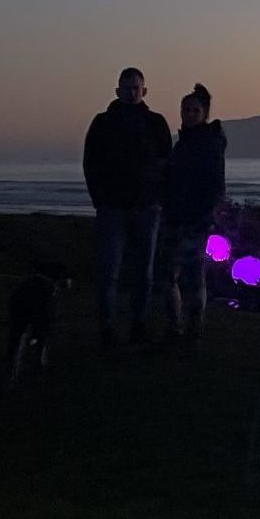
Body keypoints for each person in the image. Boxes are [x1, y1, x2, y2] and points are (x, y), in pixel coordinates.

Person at [82, 67, 172, 346]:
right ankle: (107, 329)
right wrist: (100, 199)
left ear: (144, 91)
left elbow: (166, 163)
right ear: (118, 90)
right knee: (109, 271)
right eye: (127, 87)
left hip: (146, 208)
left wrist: (158, 198)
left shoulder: (156, 123)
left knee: (143, 272)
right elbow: (91, 163)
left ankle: (138, 326)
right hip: (112, 208)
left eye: (136, 88)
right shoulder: (102, 123)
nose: (132, 92)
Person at [161, 83, 226, 345]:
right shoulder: (185, 144)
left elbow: (215, 185)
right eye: (185, 110)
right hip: (175, 216)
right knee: (171, 276)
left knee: (191, 276)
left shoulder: (208, 144)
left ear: (204, 113)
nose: (188, 115)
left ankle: (191, 330)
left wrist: (206, 216)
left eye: (194, 111)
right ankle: (178, 328)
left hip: (194, 220)